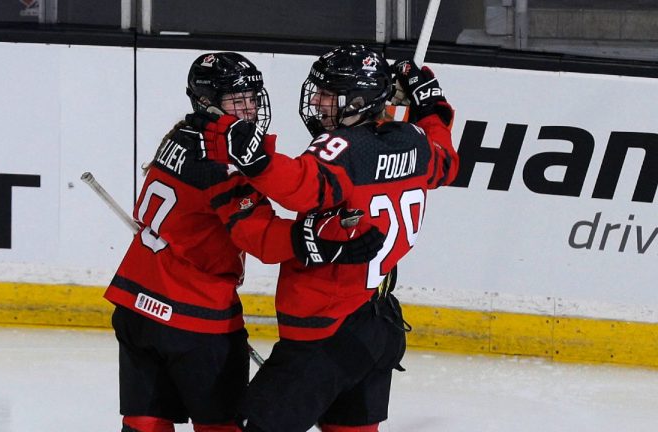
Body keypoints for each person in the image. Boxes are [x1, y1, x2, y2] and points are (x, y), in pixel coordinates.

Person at [104, 51, 384, 432]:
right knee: (221, 426)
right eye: (237, 101)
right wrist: (326, 239)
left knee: (144, 420)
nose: (249, 109)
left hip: (135, 305)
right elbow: (263, 241)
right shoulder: (224, 164)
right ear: (207, 102)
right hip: (195, 318)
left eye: (252, 98)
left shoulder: (178, 138)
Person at [187, 44, 459, 432]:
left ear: (359, 99)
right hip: (376, 326)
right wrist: (431, 105)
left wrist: (256, 160)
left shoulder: (345, 149)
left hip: (324, 332)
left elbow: (300, 187)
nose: (317, 100)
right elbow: (447, 162)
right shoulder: (415, 141)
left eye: (328, 93)